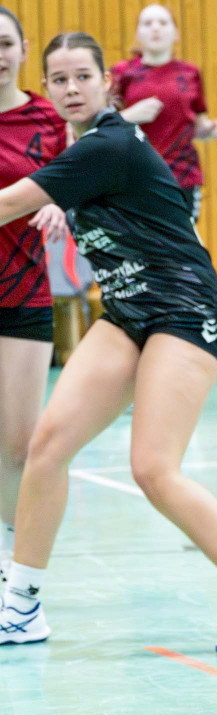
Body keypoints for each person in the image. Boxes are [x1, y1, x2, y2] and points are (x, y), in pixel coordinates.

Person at [0, 33, 217, 656]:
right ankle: (21, 607)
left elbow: (13, 201)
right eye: (59, 80)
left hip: (185, 309)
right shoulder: (80, 153)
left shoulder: (108, 143)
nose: (71, 89)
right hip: (128, 312)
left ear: (108, 83)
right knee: (47, 448)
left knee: (153, 468)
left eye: (82, 76)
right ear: (47, 88)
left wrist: (47, 202)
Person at [0, 6, 69, 587]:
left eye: (4, 43)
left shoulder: (48, 118)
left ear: (23, 50)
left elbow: (81, 180)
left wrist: (61, 204)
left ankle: (13, 569)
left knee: (17, 447)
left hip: (22, 293)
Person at [110, 4, 217, 223]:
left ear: (176, 33)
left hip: (181, 175)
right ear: (138, 34)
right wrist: (129, 116)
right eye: (148, 23)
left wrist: (214, 129)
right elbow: (101, 126)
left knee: (182, 241)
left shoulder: (189, 73)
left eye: (163, 23)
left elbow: (196, 126)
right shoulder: (121, 73)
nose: (155, 28)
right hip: (134, 176)